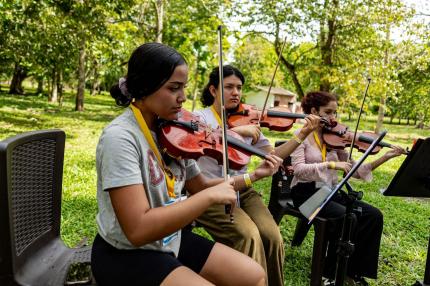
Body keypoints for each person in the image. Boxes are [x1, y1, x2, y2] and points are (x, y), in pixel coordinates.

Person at [90, 43, 285, 286]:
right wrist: (209, 198)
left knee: (254, 275)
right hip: (127, 252)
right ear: (144, 86)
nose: (182, 98)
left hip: (169, 240)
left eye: (183, 87)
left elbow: (201, 185)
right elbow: (138, 229)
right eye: (174, 88)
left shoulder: (175, 131)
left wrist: (253, 176)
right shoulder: (120, 138)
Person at [194, 65, 321, 286]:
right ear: (213, 90)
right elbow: (201, 139)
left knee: (272, 236)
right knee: (248, 236)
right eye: (229, 87)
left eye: (239, 88)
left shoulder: (248, 121)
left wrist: (302, 134)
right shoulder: (199, 117)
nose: (236, 92)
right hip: (211, 190)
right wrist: (236, 132)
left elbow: (273, 156)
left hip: (244, 190)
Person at [289, 91, 406, 285]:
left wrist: (386, 157)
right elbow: (299, 171)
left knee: (373, 215)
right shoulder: (301, 136)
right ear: (313, 111)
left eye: (335, 113)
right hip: (306, 194)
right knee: (347, 217)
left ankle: (352, 271)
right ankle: (329, 273)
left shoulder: (335, 139)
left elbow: (358, 171)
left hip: (330, 191)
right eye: (328, 112)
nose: (333, 118)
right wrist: (331, 165)